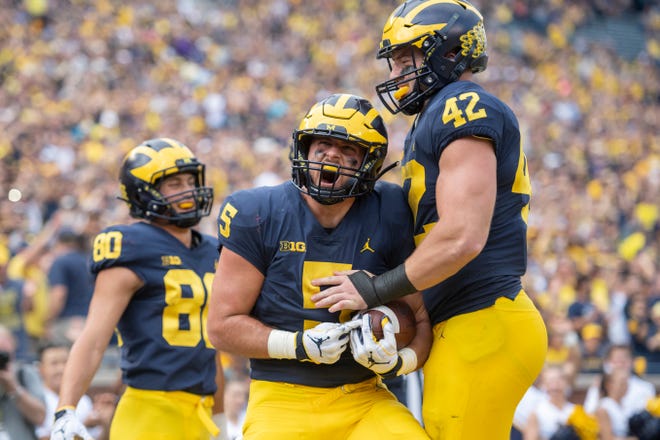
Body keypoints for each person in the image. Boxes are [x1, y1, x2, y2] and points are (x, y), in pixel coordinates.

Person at [311, 2, 548, 439]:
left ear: (450, 52)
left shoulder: (463, 104)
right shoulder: (433, 116)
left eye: (407, 58)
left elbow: (461, 237)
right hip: (464, 321)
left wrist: (378, 288)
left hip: (483, 318)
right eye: (395, 61)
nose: (398, 71)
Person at [207, 93, 432, 439]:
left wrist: (398, 360)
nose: (332, 156)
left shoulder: (391, 209)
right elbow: (221, 326)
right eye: (323, 144)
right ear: (305, 149)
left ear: (368, 166)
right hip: (281, 398)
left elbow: (419, 320)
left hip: (363, 396)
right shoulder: (257, 212)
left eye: (348, 151)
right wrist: (296, 345)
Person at [49, 138, 226, 440]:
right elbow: (93, 338)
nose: (188, 190)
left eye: (189, 180)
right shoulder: (130, 245)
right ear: (144, 193)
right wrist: (66, 408)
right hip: (149, 412)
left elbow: (209, 348)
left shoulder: (211, 249)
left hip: (201, 412)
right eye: (174, 184)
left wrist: (222, 420)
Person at [35, 340, 112, 439]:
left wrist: (106, 422)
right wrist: (83, 425)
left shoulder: (83, 399)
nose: (61, 368)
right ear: (40, 368)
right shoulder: (36, 400)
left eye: (66, 362)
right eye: (54, 363)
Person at [46, 228, 94, 344]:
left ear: (59, 243)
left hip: (67, 322)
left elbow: (59, 294)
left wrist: (48, 321)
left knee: (64, 359)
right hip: (90, 320)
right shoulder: (88, 260)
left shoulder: (60, 262)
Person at [0, 323, 46, 439]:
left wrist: (13, 387)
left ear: (13, 346)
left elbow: (40, 417)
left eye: (3, 351)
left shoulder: (24, 373)